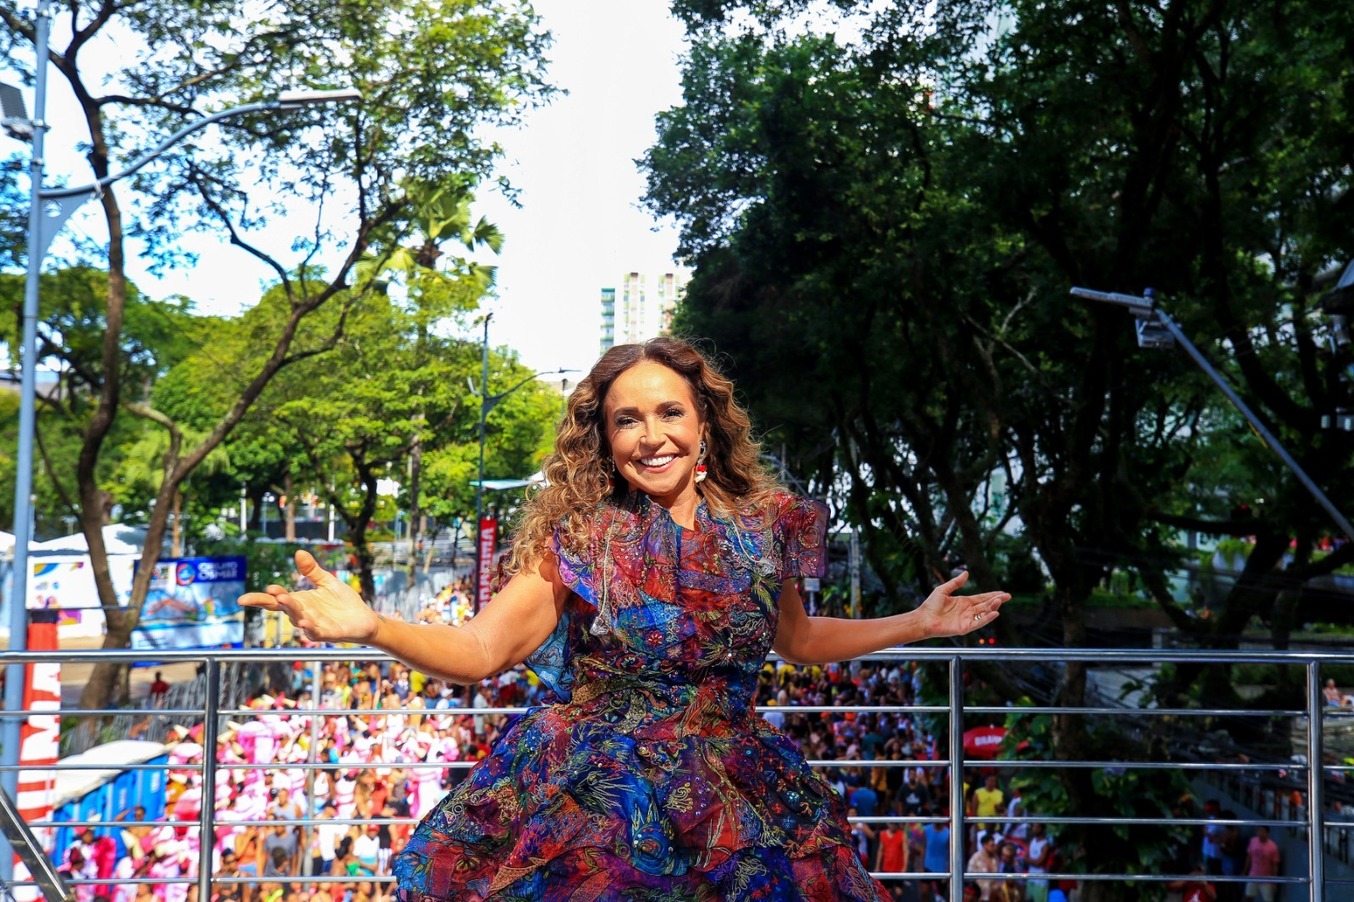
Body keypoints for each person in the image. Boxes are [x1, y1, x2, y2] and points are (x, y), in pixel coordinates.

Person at [241, 337, 1009, 901]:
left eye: (669, 411)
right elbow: (480, 648)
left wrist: (916, 621)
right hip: (592, 799)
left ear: (705, 421)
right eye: (627, 420)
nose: (652, 436)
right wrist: (372, 626)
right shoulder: (576, 538)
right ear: (604, 440)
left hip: (738, 792)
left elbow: (797, 639)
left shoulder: (771, 522)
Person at [1242, 824, 1281, 902]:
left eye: (1263, 831)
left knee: (1268, 899)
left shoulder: (1273, 847)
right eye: (1259, 831)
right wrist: (1245, 871)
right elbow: (1249, 857)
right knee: (1248, 897)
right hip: (1253, 875)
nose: (1260, 833)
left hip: (1266, 878)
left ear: (1267, 833)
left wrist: (1274, 882)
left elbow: (1275, 865)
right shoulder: (1253, 841)